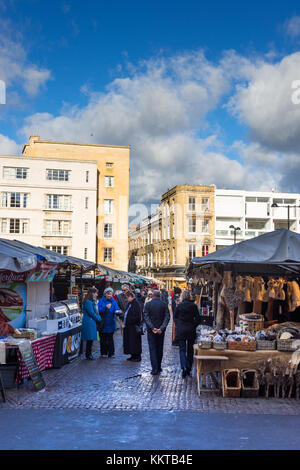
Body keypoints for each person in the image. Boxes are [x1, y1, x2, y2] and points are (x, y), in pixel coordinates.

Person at [174, 290, 201, 378]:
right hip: (190, 329)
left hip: (181, 329)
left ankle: (184, 366)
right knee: (190, 350)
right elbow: (198, 319)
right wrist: (193, 325)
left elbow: (175, 317)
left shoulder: (179, 306)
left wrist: (178, 325)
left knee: (182, 349)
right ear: (189, 296)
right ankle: (188, 368)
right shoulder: (193, 306)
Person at [144, 289, 170, 375]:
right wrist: (161, 328)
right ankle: (158, 367)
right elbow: (167, 317)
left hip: (152, 331)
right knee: (159, 348)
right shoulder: (164, 304)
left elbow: (146, 317)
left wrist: (152, 328)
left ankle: (154, 368)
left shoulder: (148, 304)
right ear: (160, 296)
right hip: (160, 331)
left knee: (152, 349)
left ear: (152, 295)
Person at [97, 287, 121, 358]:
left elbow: (116, 309)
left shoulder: (113, 301)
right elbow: (98, 310)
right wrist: (105, 307)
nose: (109, 295)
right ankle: (103, 353)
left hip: (111, 323)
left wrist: (118, 312)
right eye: (108, 294)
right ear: (105, 294)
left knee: (110, 339)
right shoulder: (101, 301)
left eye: (110, 294)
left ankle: (111, 353)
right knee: (103, 339)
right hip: (103, 323)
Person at [81, 287, 102, 360]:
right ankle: (88, 354)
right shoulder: (88, 302)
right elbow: (91, 312)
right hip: (89, 321)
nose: (97, 294)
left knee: (90, 339)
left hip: (91, 321)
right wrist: (98, 318)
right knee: (89, 339)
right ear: (92, 293)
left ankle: (89, 354)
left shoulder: (90, 301)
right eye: (96, 293)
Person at [122, 291, 142, 362]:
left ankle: (137, 356)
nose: (126, 299)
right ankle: (133, 355)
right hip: (129, 326)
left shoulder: (135, 304)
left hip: (133, 326)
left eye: (127, 298)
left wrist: (130, 320)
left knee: (135, 342)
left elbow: (138, 316)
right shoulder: (130, 303)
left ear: (131, 296)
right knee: (131, 342)